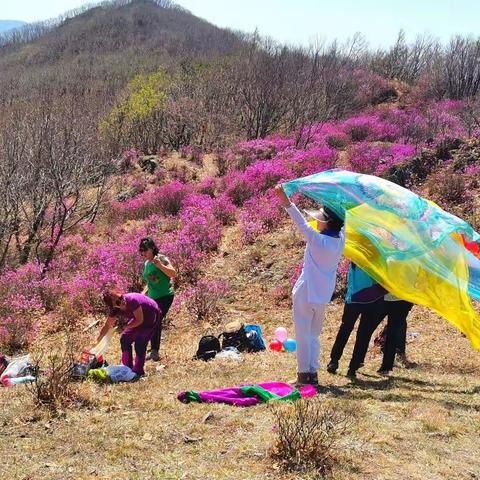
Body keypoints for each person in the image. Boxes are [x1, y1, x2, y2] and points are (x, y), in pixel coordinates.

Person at [275, 184, 345, 387]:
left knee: (303, 335)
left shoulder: (316, 240)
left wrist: (284, 199)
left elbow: (300, 222)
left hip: (306, 292)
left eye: (320, 219)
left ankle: (304, 375)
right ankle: (312, 372)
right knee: (314, 335)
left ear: (327, 223)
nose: (316, 221)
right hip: (322, 295)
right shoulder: (340, 241)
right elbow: (344, 225)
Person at [327, 263, 386, 378]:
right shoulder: (374, 255)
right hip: (365, 298)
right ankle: (345, 364)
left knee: (349, 330)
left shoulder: (361, 253)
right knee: (357, 332)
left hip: (361, 299)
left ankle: (341, 363)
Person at [97, 288, 160, 376]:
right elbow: (107, 325)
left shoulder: (132, 300)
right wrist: (98, 340)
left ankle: (138, 371)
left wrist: (125, 327)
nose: (122, 301)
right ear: (113, 306)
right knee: (125, 339)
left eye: (120, 297)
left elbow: (139, 320)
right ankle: (127, 367)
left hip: (151, 313)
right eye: (118, 302)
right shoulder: (115, 310)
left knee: (140, 343)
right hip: (137, 318)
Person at [139, 237, 176, 361]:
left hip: (165, 296)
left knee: (156, 319)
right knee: (152, 321)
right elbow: (150, 282)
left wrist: (159, 265)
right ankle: (153, 350)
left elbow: (173, 273)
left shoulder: (161, 258)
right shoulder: (146, 263)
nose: (143, 253)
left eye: (145, 250)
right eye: (141, 251)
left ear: (152, 248)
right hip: (152, 297)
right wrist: (142, 294)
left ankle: (155, 351)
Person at [377, 294, 415, 376]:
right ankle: (357, 361)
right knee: (395, 327)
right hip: (386, 295)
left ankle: (395, 358)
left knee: (398, 326)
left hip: (403, 296)